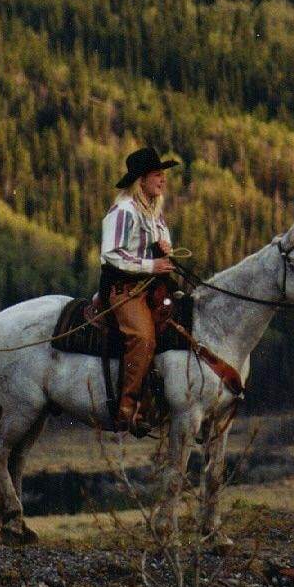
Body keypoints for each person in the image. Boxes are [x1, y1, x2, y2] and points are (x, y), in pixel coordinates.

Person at [98, 146, 181, 436]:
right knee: (143, 337)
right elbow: (112, 254)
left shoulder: (154, 213)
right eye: (157, 175)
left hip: (151, 288)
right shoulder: (124, 211)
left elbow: (160, 247)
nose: (163, 180)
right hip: (124, 290)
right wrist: (151, 265)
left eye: (162, 175)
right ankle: (127, 407)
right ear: (141, 180)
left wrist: (165, 251)